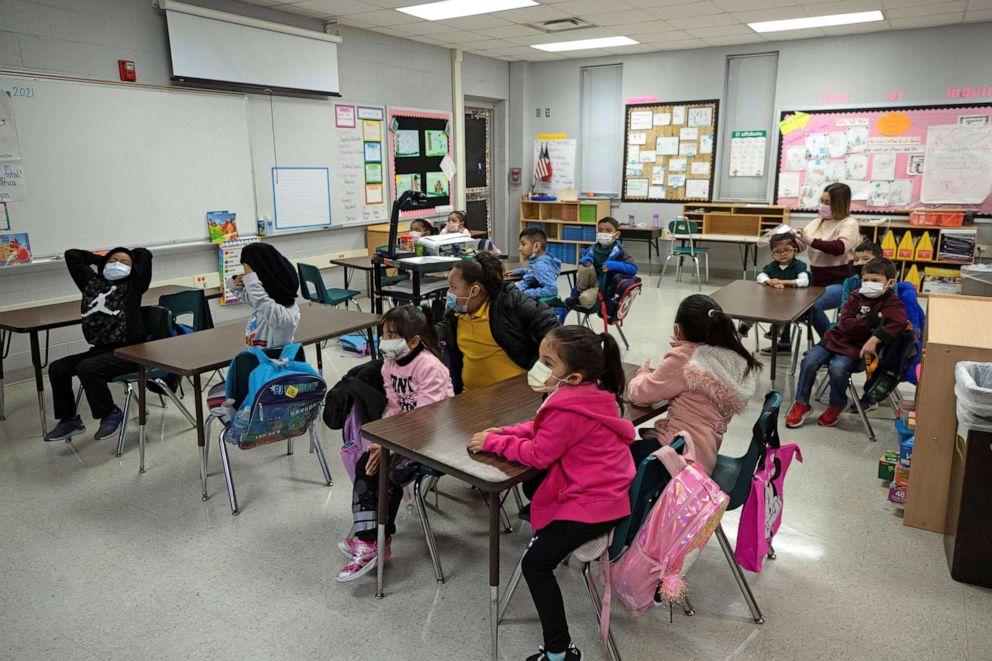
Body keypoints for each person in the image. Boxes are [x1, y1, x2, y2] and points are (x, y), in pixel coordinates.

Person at [468, 325, 635, 661]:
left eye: (547, 362)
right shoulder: (591, 395)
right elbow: (540, 427)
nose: (538, 367)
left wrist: (494, 443)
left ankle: (559, 652)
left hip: (594, 504)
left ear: (572, 377)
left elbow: (538, 454)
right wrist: (506, 431)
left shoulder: (566, 408)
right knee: (534, 489)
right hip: (608, 493)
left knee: (535, 565)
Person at [337, 306, 453, 582]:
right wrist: (383, 440)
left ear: (413, 340)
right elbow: (393, 407)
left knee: (387, 471)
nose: (385, 340)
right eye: (383, 333)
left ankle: (374, 541)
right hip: (402, 435)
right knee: (368, 463)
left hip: (434, 439)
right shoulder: (390, 364)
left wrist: (389, 445)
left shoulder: (429, 366)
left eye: (392, 335)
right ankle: (373, 541)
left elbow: (428, 418)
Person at [627, 294, 760, 474]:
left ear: (677, 330)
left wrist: (642, 375)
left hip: (678, 458)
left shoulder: (685, 359)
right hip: (704, 455)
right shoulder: (729, 357)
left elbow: (640, 395)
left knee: (615, 456)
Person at [44, 247, 153, 442]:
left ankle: (110, 413)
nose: (118, 265)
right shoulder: (91, 283)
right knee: (58, 368)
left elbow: (144, 254)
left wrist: (129, 258)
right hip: (101, 351)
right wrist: (101, 259)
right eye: (114, 261)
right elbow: (71, 255)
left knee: (87, 368)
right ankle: (69, 421)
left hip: (132, 352)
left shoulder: (133, 285)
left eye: (125, 262)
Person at [786, 258, 907, 429]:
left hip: (857, 346)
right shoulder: (855, 296)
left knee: (838, 368)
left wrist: (874, 338)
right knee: (809, 361)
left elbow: (900, 322)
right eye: (866, 280)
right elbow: (846, 324)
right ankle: (801, 404)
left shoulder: (891, 301)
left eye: (875, 281)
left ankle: (836, 404)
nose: (869, 284)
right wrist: (872, 319)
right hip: (835, 338)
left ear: (890, 282)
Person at [439, 252, 559, 393]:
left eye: (453, 287)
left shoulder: (510, 303)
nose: (449, 292)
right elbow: (444, 330)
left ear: (474, 290)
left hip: (511, 399)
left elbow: (553, 331)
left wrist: (539, 370)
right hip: (469, 398)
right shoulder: (456, 312)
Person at [794, 183, 861, 339]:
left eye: (828, 203)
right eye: (822, 201)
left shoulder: (849, 223)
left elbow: (839, 247)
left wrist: (809, 240)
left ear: (840, 203)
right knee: (789, 299)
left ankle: (831, 343)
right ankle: (783, 342)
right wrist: (791, 242)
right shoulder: (818, 221)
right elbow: (804, 244)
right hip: (817, 279)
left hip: (841, 281)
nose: (824, 206)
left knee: (814, 306)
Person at [230, 242, 300, 348]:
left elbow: (259, 299)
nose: (248, 277)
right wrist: (236, 279)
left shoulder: (284, 317)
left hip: (272, 362)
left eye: (250, 274)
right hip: (255, 356)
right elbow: (235, 288)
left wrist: (249, 277)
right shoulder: (266, 304)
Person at [754, 232, 811, 353]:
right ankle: (743, 330)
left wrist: (783, 282)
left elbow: (804, 281)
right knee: (753, 308)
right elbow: (760, 276)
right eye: (778, 251)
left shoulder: (798, 265)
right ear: (773, 254)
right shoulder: (772, 266)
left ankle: (780, 337)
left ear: (795, 250)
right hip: (774, 303)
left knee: (784, 313)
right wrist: (770, 281)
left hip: (795, 306)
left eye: (787, 250)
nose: (783, 254)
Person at [567, 217, 637, 310]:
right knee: (584, 266)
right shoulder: (593, 248)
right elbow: (585, 258)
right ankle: (578, 293)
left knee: (586, 300)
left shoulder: (621, 251)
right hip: (589, 282)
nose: (604, 234)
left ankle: (583, 297)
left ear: (617, 234)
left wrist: (612, 265)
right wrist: (587, 260)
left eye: (608, 231)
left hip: (605, 288)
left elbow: (633, 268)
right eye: (600, 231)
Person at [510, 228, 562, 301]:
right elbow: (533, 271)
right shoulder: (544, 260)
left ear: (537, 246)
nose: (520, 248)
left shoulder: (540, 266)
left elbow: (552, 290)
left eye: (523, 244)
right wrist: (520, 271)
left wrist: (525, 293)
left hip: (537, 306)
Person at [840, 241, 884, 308]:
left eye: (865, 259)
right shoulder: (850, 282)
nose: (859, 263)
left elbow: (891, 308)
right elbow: (845, 307)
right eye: (856, 259)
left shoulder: (887, 282)